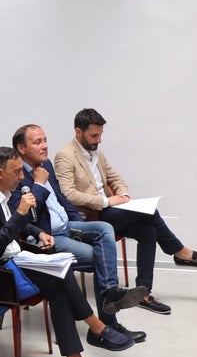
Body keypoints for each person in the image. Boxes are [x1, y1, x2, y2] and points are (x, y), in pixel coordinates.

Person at [0, 147, 136, 357]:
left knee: (60, 279)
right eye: (16, 172)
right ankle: (96, 329)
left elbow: (12, 222)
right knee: (61, 276)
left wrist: (38, 232)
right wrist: (21, 212)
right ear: (0, 173)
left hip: (13, 260)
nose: (22, 177)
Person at [53, 108, 197, 314]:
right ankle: (180, 251)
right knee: (150, 212)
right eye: (94, 135)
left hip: (110, 211)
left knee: (149, 231)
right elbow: (68, 195)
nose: (99, 140)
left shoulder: (96, 152)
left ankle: (144, 294)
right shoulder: (64, 156)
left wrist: (123, 195)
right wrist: (107, 201)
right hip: (91, 217)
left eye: (101, 134)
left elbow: (116, 178)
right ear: (78, 132)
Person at [10, 124, 147, 342]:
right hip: (48, 237)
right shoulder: (16, 175)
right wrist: (38, 184)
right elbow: (27, 216)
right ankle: (105, 326)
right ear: (21, 148)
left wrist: (78, 223)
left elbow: (62, 199)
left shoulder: (46, 165)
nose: (45, 146)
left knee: (104, 228)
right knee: (99, 257)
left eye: (45, 140)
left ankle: (110, 294)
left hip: (67, 225)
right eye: (37, 142)